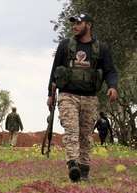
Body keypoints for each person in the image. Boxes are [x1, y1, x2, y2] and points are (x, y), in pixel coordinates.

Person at [47, 13, 118, 182]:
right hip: (67, 96)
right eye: (73, 23)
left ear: (89, 25)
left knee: (85, 135)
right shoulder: (65, 45)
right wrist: (50, 95)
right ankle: (73, 164)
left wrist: (113, 87)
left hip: (89, 98)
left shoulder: (101, 48)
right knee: (71, 130)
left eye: (78, 23)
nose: (74, 26)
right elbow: (55, 70)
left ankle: (84, 169)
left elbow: (110, 71)